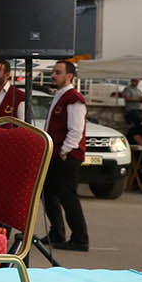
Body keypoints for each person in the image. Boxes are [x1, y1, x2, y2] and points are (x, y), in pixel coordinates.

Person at [41, 59, 89, 252]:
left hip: (66, 156)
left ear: (69, 76)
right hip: (55, 154)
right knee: (48, 194)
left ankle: (80, 238)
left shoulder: (73, 98)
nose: (53, 75)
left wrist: (65, 150)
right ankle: (57, 232)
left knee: (68, 197)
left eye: (58, 72)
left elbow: (76, 129)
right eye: (53, 72)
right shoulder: (60, 95)